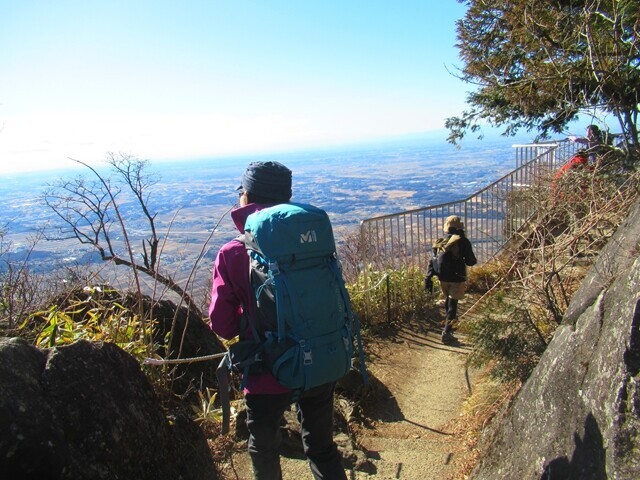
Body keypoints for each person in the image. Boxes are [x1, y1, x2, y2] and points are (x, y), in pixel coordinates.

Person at [208, 160, 348, 480]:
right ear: (287, 197)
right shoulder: (311, 238)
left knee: (265, 447)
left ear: (246, 197)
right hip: (321, 360)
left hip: (267, 370)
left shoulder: (233, 252)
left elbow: (223, 325)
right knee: (322, 447)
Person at [425, 215, 477, 342]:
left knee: (448, 301)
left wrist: (429, 277)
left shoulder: (440, 242)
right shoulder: (463, 241)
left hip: (442, 277)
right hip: (457, 277)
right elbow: (471, 261)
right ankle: (447, 332)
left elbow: (432, 261)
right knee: (453, 303)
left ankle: (450, 324)